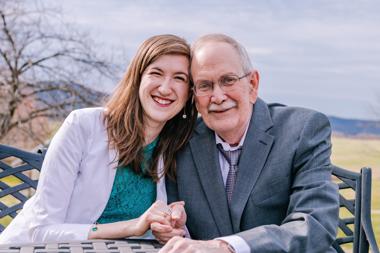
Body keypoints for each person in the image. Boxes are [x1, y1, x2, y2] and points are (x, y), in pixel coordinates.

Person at [0, 34, 197, 244]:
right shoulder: (83, 126)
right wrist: (133, 226)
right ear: (137, 79)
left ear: (188, 93)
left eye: (179, 78)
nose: (166, 88)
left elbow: (161, 228)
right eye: (156, 73)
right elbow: (40, 231)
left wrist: (171, 226)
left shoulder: (177, 146)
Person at [157, 34, 339, 253]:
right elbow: (180, 227)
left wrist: (226, 247)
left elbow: (314, 225)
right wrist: (174, 227)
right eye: (205, 85)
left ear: (252, 84)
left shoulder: (302, 129)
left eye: (228, 80)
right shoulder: (181, 143)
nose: (218, 96)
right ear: (194, 96)